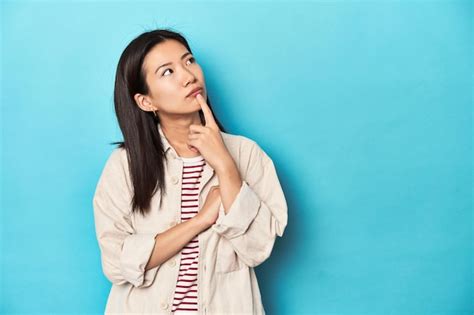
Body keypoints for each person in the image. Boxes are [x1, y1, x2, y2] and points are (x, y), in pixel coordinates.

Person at [92, 28, 288, 314]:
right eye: (167, 72)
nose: (188, 75)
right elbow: (116, 262)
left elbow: (257, 248)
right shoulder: (126, 164)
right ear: (146, 102)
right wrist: (201, 220)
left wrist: (225, 164)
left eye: (188, 61)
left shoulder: (246, 154)